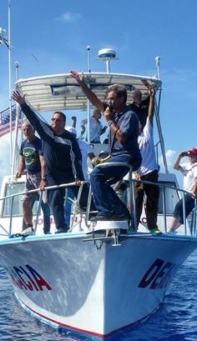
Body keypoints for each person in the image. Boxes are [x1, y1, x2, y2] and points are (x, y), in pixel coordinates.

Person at [70, 69, 141, 222]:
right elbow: (94, 101)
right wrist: (82, 84)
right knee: (99, 182)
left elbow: (121, 137)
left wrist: (109, 121)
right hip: (116, 156)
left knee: (96, 174)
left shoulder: (130, 116)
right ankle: (121, 212)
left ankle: (106, 212)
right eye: (108, 99)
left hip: (128, 156)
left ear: (122, 99)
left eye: (112, 99)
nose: (109, 102)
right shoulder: (113, 112)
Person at [12, 90, 86, 233]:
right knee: (56, 201)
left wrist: (79, 177)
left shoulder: (70, 138)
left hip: (70, 173)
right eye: (53, 119)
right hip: (54, 176)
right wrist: (23, 105)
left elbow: (76, 158)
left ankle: (94, 218)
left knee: (84, 194)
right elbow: (34, 119)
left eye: (58, 120)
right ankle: (60, 228)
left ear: (64, 123)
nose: (54, 122)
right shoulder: (46, 132)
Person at [134, 82, 162, 235]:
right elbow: (130, 159)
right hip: (138, 174)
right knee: (136, 201)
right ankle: (133, 225)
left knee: (152, 200)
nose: (138, 124)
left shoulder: (147, 132)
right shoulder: (130, 139)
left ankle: (153, 226)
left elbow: (150, 114)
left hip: (151, 171)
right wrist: (134, 173)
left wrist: (151, 97)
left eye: (139, 123)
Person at [14, 121, 51, 236]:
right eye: (24, 129)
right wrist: (19, 172)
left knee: (45, 204)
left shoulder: (39, 143)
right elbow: (22, 160)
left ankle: (47, 230)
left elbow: (43, 162)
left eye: (28, 129)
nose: (26, 131)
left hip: (40, 175)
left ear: (33, 130)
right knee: (25, 201)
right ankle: (29, 228)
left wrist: (44, 179)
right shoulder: (23, 144)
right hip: (29, 177)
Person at [168, 148, 197, 233]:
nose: (191, 156)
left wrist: (194, 192)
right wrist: (179, 157)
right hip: (191, 192)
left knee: (178, 206)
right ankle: (173, 230)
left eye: (193, 155)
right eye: (189, 155)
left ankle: (170, 230)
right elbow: (175, 167)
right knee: (184, 212)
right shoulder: (187, 165)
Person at [64, 126, 95, 225]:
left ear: (75, 135)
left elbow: (93, 158)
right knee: (67, 205)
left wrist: (97, 171)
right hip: (69, 181)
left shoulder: (84, 144)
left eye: (72, 135)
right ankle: (65, 227)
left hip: (83, 180)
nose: (70, 137)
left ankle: (92, 224)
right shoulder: (62, 145)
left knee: (87, 203)